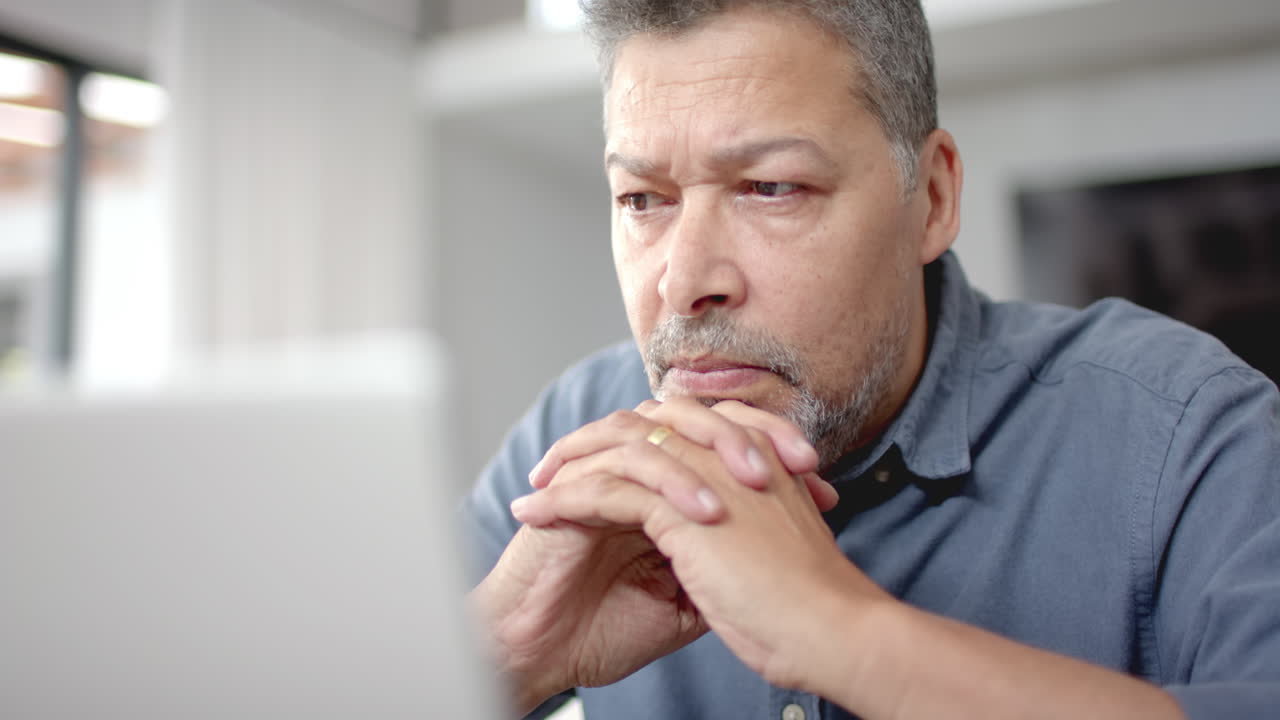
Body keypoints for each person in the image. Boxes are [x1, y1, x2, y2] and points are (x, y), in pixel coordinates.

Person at [462, 1, 1280, 718]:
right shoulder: (570, 445)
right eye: (643, 200)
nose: (683, 284)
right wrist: (508, 657)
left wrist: (841, 633)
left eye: (770, 188)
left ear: (932, 198)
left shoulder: (1186, 437)